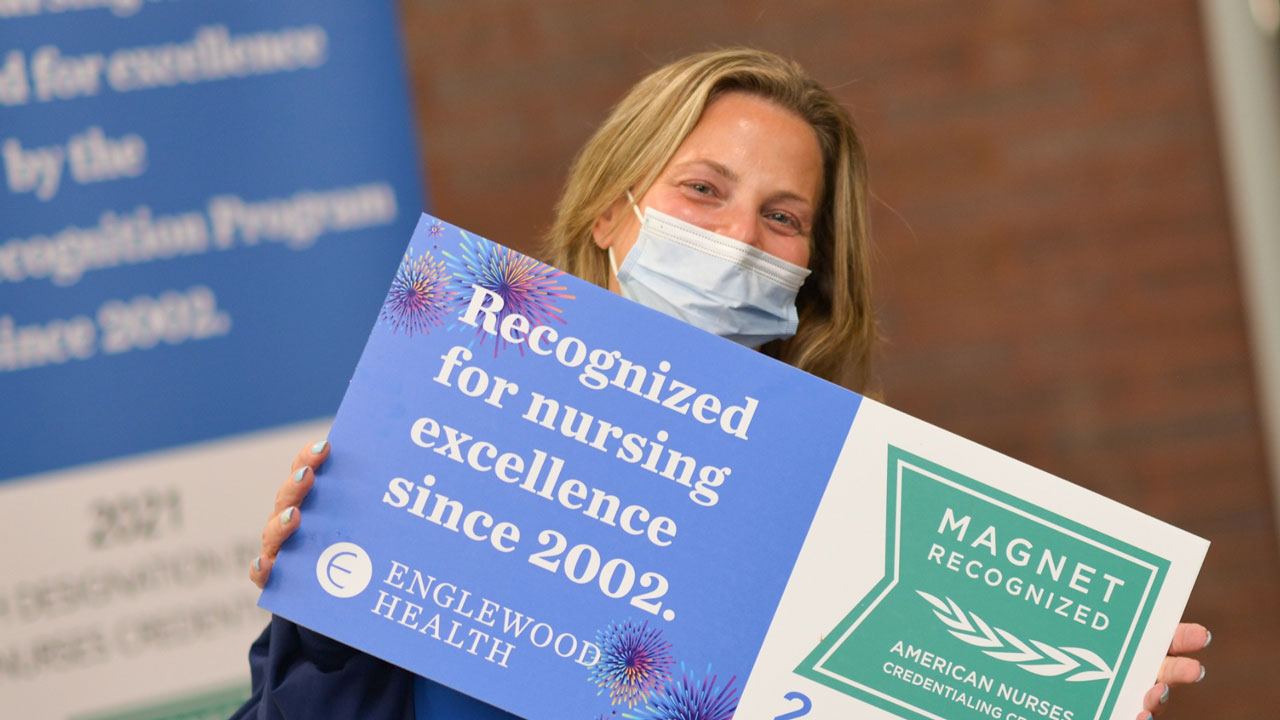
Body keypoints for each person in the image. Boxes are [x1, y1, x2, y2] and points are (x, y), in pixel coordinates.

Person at [234, 48, 1209, 720]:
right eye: (701, 191)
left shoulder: (852, 512)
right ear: (611, 212)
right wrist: (320, 606)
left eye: (783, 219)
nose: (736, 240)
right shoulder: (451, 423)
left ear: (812, 273)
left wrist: (1056, 694)